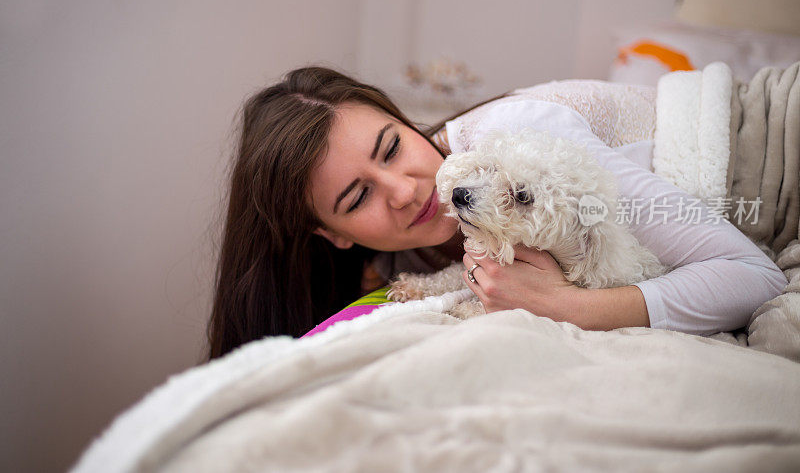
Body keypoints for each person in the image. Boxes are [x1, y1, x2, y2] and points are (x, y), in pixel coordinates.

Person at [206, 66, 788, 359]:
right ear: (330, 235)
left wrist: (572, 307)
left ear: (408, 121)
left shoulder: (525, 149)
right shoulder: (401, 260)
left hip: (772, 144)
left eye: (392, 147)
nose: (405, 191)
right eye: (357, 198)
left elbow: (753, 275)